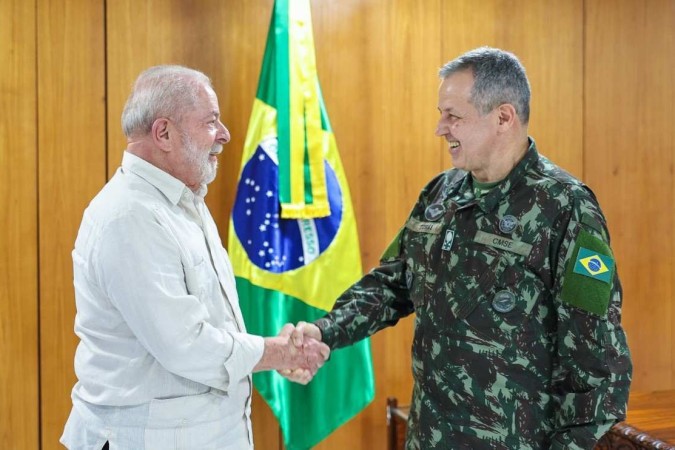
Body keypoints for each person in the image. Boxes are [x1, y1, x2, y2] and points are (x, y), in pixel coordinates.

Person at [290, 47, 632, 449]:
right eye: (441, 114)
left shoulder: (565, 206)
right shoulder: (440, 193)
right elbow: (392, 284)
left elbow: (597, 362)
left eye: (453, 116)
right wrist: (324, 332)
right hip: (429, 436)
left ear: (503, 117)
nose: (440, 128)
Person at [60, 65, 328, 450]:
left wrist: (272, 355)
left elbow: (214, 322)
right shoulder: (130, 217)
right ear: (164, 133)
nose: (224, 135)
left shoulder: (183, 200)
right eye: (211, 122)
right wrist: (276, 352)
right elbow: (185, 345)